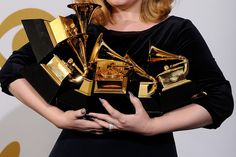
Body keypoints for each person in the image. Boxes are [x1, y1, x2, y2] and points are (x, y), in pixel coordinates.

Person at [0, 0, 234, 157]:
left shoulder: (177, 31)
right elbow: (12, 69)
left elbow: (219, 99)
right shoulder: (78, 26)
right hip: (76, 149)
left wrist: (152, 126)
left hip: (149, 151)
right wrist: (56, 117)